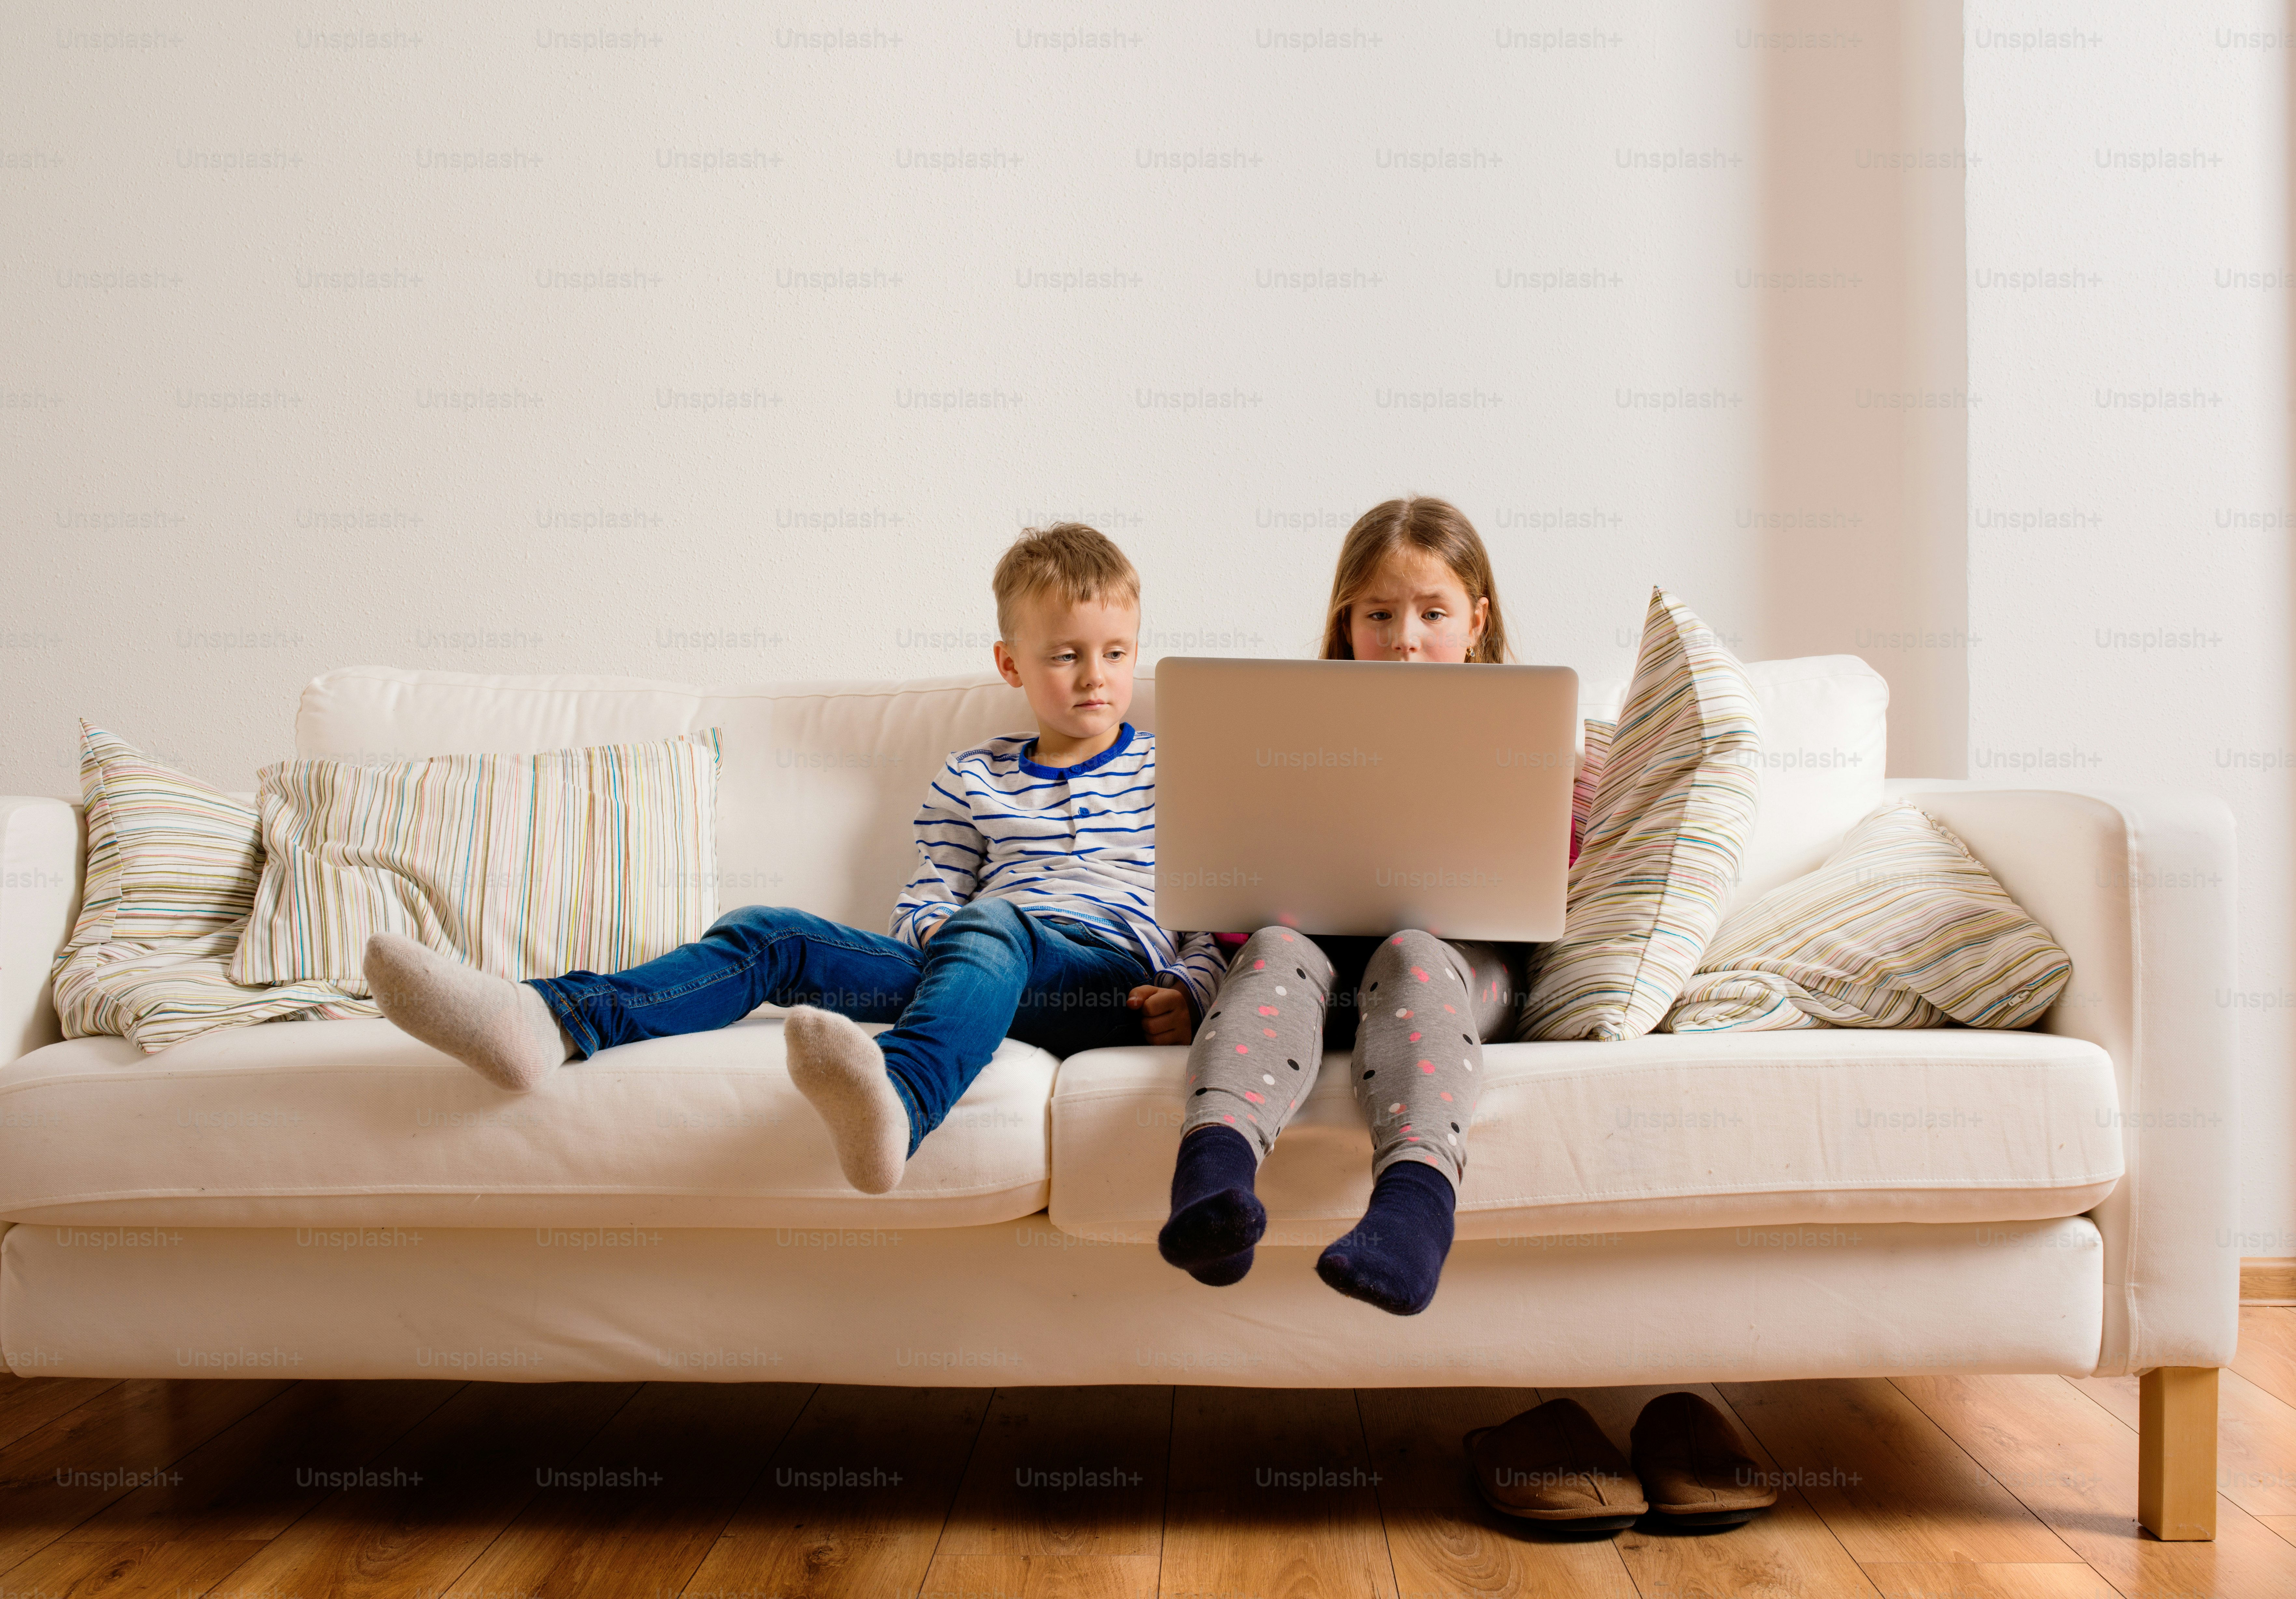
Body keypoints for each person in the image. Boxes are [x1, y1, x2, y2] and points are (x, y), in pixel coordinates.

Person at [366, 522, 1224, 1195]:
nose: (1094, 678)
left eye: (1114, 654)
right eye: (1065, 655)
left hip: (1105, 986)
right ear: (1010, 664)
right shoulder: (972, 777)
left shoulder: (1175, 769)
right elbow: (930, 889)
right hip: (966, 968)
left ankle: (903, 1097)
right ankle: (549, 1021)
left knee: (992, 922)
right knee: (768, 932)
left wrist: (1189, 995)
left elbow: (1214, 903)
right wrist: (938, 937)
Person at [1157, 495, 1530, 1315]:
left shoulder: (1525, 732)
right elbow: (1226, 889)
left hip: (1455, 977)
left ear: (1475, 621)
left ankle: (1413, 1212)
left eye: (1432, 612)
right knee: (1275, 947)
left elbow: (1542, 880)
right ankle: (1212, 1186)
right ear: (1345, 624)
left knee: (1413, 952)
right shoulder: (1297, 732)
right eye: (1378, 613)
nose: (1404, 637)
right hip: (1318, 975)